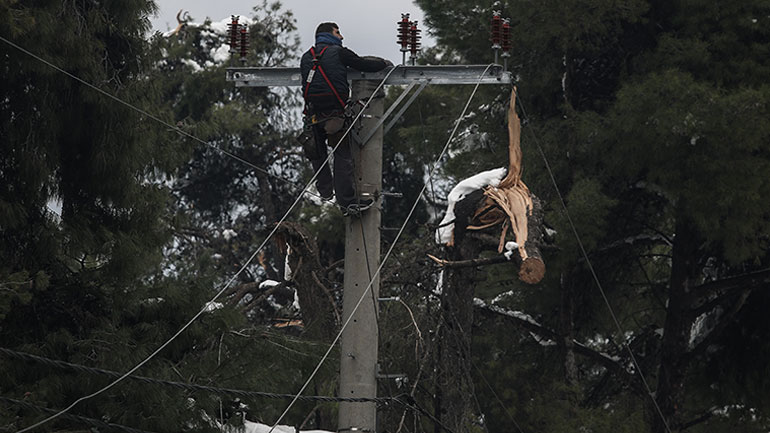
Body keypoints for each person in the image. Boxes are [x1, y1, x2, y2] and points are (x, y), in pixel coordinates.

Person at [299, 22, 391, 215]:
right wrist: (384, 64)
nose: (341, 37)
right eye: (338, 32)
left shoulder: (306, 57)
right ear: (329, 35)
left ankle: (324, 191)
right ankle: (348, 202)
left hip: (312, 115)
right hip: (335, 116)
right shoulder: (340, 53)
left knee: (317, 154)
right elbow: (364, 65)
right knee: (343, 157)